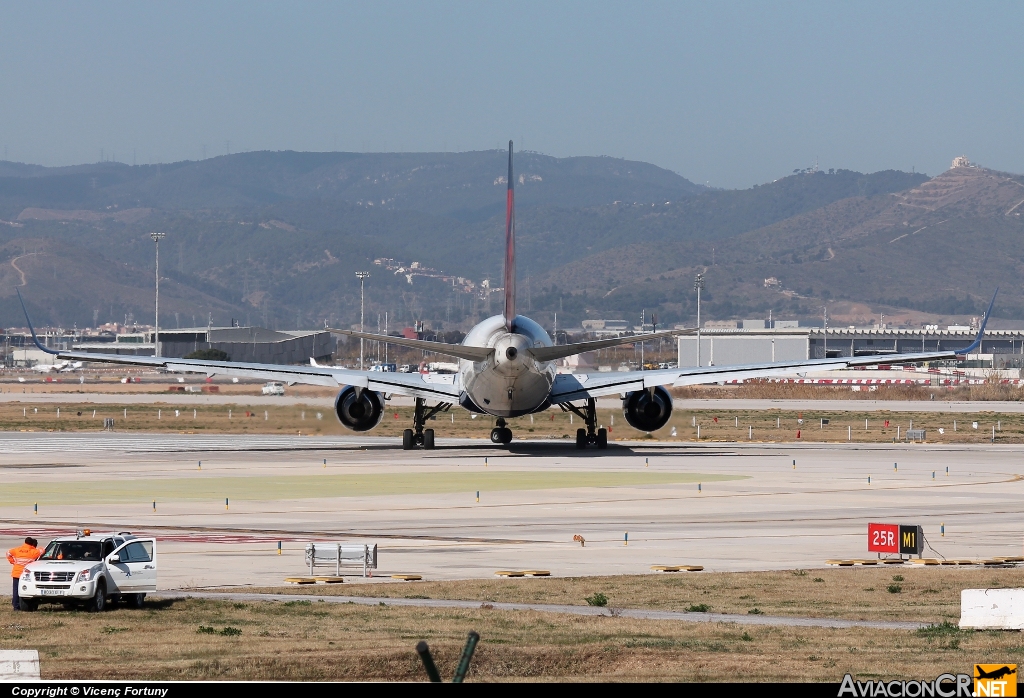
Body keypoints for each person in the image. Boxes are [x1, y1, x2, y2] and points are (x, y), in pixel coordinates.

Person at [7, 538, 41, 611]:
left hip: (16, 573)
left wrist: (12, 562)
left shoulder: (17, 549)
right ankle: (25, 604)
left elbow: (8, 553)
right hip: (26, 574)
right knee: (25, 590)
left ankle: (16, 606)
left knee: (15, 590)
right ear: (32, 544)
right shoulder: (33, 551)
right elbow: (42, 550)